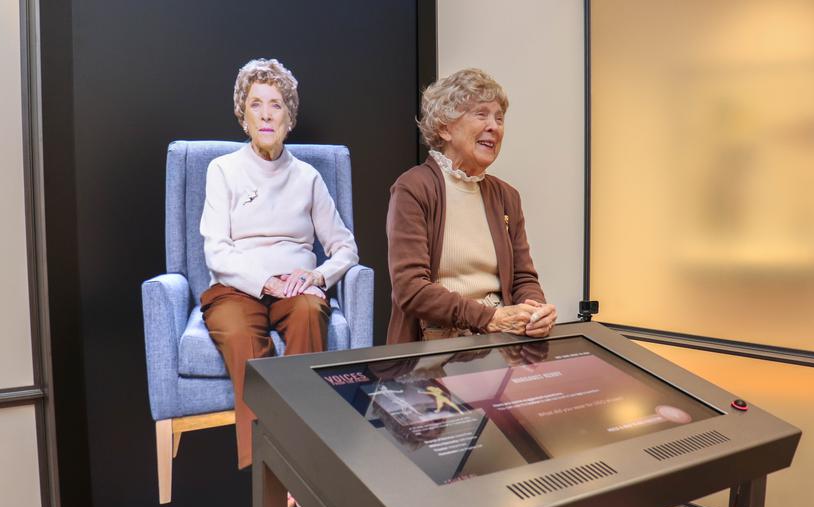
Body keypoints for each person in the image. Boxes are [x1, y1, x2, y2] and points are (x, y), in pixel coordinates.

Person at [199, 58, 358, 471]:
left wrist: (317, 275)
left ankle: (305, 459)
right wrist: (265, 281)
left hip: (296, 287)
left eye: (276, 105)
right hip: (237, 287)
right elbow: (216, 251)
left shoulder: (308, 178)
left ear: (290, 117)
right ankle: (269, 464)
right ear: (243, 115)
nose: (266, 114)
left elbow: (345, 248)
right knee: (240, 336)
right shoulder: (223, 170)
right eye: (256, 104)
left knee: (309, 310)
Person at [386, 68, 557, 344]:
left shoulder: (507, 196)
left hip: (500, 339)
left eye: (499, 118)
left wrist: (536, 311)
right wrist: (488, 318)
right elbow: (411, 290)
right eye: (481, 114)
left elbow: (523, 279)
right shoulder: (413, 188)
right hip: (435, 346)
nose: (495, 127)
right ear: (445, 127)